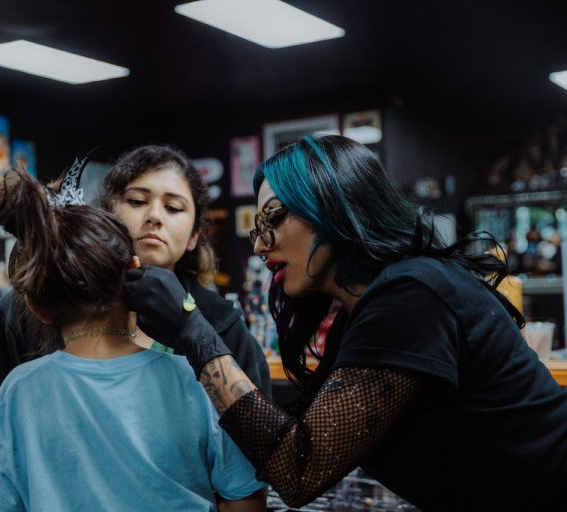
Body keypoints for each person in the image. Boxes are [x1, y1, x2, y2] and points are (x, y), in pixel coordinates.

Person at [123, 135, 567, 511]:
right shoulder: (371, 308)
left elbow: (298, 471)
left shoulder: (412, 295)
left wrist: (191, 330)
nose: (259, 243)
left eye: (274, 217)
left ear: (334, 207)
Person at [0, 145, 271, 495]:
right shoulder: (16, 316)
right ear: (109, 212)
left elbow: (254, 442)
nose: (155, 216)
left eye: (173, 207)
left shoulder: (220, 324)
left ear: (194, 236)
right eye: (137, 201)